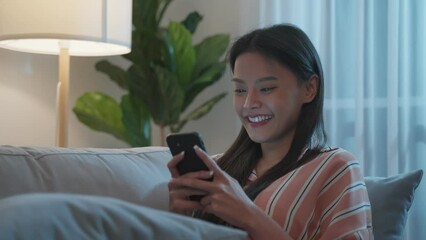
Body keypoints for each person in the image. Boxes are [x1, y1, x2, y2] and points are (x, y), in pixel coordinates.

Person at [167, 24, 373, 240]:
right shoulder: (217, 169)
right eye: (240, 90)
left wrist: (247, 214)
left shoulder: (335, 167)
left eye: (266, 89)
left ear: (309, 89)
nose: (249, 103)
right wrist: (178, 218)